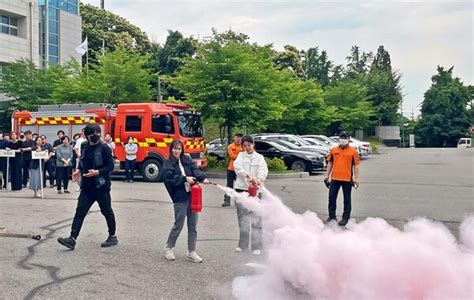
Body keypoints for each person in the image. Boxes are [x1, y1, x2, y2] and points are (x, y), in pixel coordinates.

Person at [57, 123, 117, 250]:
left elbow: (110, 166)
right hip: (87, 186)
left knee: (107, 211)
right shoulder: (84, 146)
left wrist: (98, 172)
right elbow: (82, 161)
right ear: (87, 135)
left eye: (97, 133)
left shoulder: (105, 148)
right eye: (93, 134)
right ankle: (72, 239)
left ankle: (112, 236)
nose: (96, 136)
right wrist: (78, 171)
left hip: (101, 186)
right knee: (80, 211)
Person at [163, 139, 209, 263]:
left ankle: (191, 251)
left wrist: (202, 178)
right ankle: (169, 248)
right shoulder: (168, 163)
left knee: (193, 224)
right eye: (174, 148)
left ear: (182, 150)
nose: (176, 151)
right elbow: (169, 179)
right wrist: (184, 179)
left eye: (179, 149)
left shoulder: (187, 160)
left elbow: (195, 170)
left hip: (192, 196)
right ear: (171, 149)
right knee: (179, 223)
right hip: (180, 197)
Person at [233, 135, 268, 256]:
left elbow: (263, 170)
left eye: (249, 145)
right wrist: (247, 176)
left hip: (256, 191)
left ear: (253, 144)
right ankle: (242, 245)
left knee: (256, 218)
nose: (247, 148)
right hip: (241, 189)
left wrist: (259, 179)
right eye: (245, 146)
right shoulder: (240, 156)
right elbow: (237, 168)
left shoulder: (259, 158)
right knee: (242, 218)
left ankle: (257, 246)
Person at [323, 131, 360, 227]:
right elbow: (330, 163)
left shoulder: (353, 151)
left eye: (345, 137)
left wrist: (356, 178)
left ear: (348, 139)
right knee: (331, 198)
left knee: (347, 200)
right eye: (341, 137)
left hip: (347, 179)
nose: (343, 139)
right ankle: (332, 217)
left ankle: (345, 218)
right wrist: (327, 175)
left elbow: (356, 166)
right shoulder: (333, 150)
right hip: (335, 178)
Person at [222, 133, 243, 207]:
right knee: (229, 185)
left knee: (240, 186)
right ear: (234, 138)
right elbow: (231, 156)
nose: (238, 139)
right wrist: (241, 156)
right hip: (231, 169)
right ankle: (227, 200)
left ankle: (240, 201)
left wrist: (239, 156)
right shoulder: (230, 146)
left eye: (240, 137)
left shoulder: (243, 146)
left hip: (240, 170)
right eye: (237, 137)